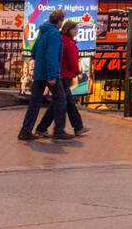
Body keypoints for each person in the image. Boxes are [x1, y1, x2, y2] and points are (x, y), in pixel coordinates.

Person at [19, 10, 68, 141]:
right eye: (62, 20)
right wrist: (52, 75)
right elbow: (52, 55)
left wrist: (38, 63)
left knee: (34, 103)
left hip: (39, 72)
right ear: (59, 21)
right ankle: (58, 130)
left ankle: (25, 131)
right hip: (49, 73)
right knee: (61, 99)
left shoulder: (43, 31)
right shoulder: (54, 34)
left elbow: (34, 51)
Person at [36, 20, 89, 137]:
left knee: (65, 101)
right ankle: (52, 129)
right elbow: (72, 61)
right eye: (75, 29)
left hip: (59, 74)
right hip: (66, 75)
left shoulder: (59, 39)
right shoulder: (70, 44)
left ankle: (78, 126)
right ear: (69, 29)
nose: (77, 31)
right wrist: (76, 71)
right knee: (60, 102)